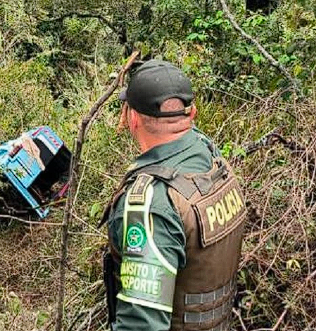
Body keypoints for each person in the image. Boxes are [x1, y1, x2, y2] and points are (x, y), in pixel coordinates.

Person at [102, 59, 246, 331]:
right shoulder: (210, 158)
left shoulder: (151, 205)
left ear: (133, 119)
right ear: (191, 115)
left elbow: (142, 325)